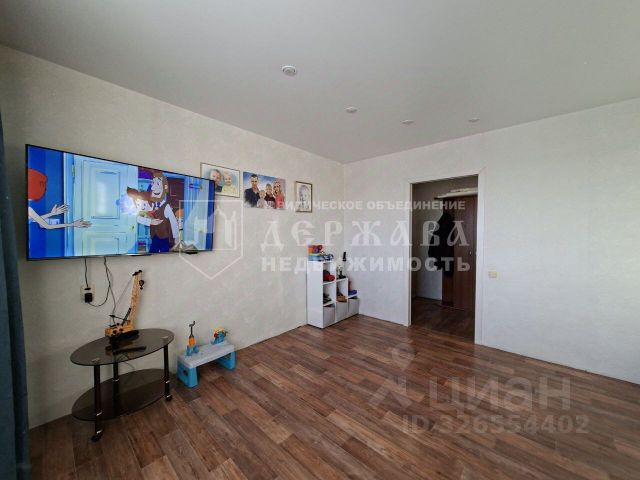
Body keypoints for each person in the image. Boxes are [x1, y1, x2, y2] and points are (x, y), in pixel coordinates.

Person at [27, 168, 91, 229]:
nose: (45, 190)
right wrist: (72, 224)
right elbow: (47, 226)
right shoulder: (29, 210)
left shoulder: (29, 210)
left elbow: (34, 219)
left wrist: (52, 214)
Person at [148, 172, 179, 252]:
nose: (153, 188)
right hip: (154, 236)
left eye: (157, 184)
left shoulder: (166, 206)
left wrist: (176, 237)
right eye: (153, 184)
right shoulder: (152, 204)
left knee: (164, 254)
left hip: (163, 237)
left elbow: (173, 222)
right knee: (151, 254)